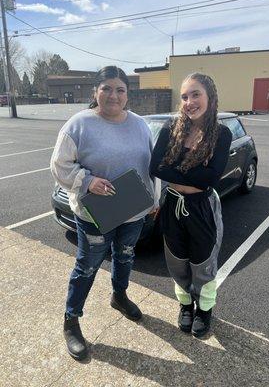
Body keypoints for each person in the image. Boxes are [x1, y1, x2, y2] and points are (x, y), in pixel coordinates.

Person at [50, 65, 159, 360]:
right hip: (94, 213)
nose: (113, 95)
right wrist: (87, 181)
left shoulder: (139, 124)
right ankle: (71, 321)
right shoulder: (78, 124)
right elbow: (59, 166)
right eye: (107, 88)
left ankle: (119, 296)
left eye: (120, 89)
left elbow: (151, 164)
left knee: (125, 256)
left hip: (132, 210)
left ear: (127, 95)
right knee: (87, 265)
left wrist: (155, 198)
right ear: (95, 92)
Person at [150, 73, 232, 338]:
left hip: (201, 208)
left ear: (210, 96)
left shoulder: (221, 133)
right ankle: (186, 306)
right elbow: (155, 167)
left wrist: (173, 169)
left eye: (196, 94)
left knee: (203, 262)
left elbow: (210, 178)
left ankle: (205, 310)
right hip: (172, 205)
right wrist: (189, 175)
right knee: (177, 261)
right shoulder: (170, 128)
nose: (189, 101)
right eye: (184, 96)